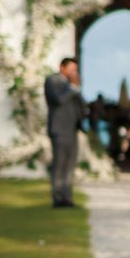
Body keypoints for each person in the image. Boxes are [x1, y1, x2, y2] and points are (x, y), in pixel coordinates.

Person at [43, 56, 85, 208]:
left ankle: (67, 198)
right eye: (72, 69)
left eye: (76, 69)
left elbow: (80, 106)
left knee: (70, 165)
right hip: (59, 129)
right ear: (62, 67)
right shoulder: (52, 81)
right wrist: (73, 89)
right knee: (59, 164)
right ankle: (58, 198)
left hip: (72, 129)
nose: (75, 72)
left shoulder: (71, 85)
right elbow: (58, 101)